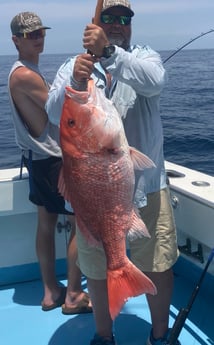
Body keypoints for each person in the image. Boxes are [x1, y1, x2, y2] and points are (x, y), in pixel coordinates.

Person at [46, 1, 181, 344]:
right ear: (96, 22)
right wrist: (76, 79)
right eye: (109, 18)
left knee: (158, 264)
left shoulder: (144, 56)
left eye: (125, 19)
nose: (118, 24)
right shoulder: (73, 67)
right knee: (96, 270)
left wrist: (109, 53)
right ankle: (104, 337)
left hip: (148, 187)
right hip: (94, 194)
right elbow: (52, 112)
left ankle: (160, 336)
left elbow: (156, 82)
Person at [8, 11, 92, 315]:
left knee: (46, 223)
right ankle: (72, 295)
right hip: (53, 161)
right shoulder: (25, 75)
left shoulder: (23, 70)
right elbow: (61, 109)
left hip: (36, 159)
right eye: (30, 36)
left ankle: (49, 292)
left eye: (40, 33)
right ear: (15, 40)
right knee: (77, 224)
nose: (38, 39)